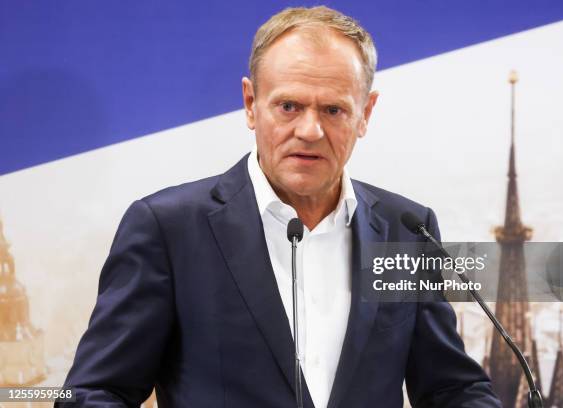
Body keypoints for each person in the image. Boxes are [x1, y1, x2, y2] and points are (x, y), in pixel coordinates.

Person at [59, 6, 501, 408]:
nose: (309, 130)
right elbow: (93, 393)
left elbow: (451, 388)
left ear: (366, 113)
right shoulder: (169, 229)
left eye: (333, 110)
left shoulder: (407, 230)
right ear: (252, 104)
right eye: (288, 106)